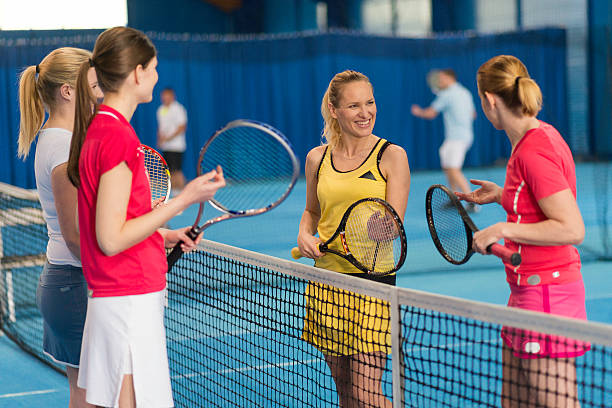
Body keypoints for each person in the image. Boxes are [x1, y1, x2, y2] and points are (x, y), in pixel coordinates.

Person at [67, 27, 225, 407]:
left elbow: (112, 223)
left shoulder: (104, 130)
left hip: (125, 297)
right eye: (153, 68)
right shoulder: (117, 137)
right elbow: (110, 237)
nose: (156, 76)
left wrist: (165, 236)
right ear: (137, 73)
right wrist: (185, 198)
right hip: (126, 301)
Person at [456, 55, 589, 408]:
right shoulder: (535, 136)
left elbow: (571, 228)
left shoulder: (533, 150)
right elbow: (539, 203)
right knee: (514, 402)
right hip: (524, 291)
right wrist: (505, 197)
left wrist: (501, 226)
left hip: (547, 295)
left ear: (489, 100)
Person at [297, 70, 410, 407]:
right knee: (346, 393)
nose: (366, 112)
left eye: (370, 102)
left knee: (366, 394)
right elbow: (312, 212)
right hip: (326, 284)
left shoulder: (392, 156)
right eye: (354, 105)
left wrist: (383, 227)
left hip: (372, 284)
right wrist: (304, 234)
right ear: (334, 110)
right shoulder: (317, 159)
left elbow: (394, 222)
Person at [17, 47, 102, 408]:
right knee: (93, 397)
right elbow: (75, 234)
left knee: (87, 395)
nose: (99, 93)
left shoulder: (56, 138)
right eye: (93, 84)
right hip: (76, 285)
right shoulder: (65, 146)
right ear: (68, 91)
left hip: (68, 281)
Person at [411, 69, 478, 212]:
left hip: (457, 138)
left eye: (442, 79)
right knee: (448, 167)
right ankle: (454, 199)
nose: (439, 82)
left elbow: (430, 114)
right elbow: (473, 114)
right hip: (461, 136)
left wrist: (418, 112)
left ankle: (472, 202)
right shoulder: (465, 92)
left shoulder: (446, 94)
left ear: (449, 78)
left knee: (453, 169)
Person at [156, 87, 187, 192]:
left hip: (177, 146)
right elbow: (160, 128)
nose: (165, 97)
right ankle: (173, 192)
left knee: (176, 170)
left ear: (172, 96)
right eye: (163, 95)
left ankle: (182, 192)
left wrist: (168, 138)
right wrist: (160, 140)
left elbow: (182, 127)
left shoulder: (178, 109)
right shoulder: (160, 110)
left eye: (167, 95)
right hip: (166, 146)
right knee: (168, 170)